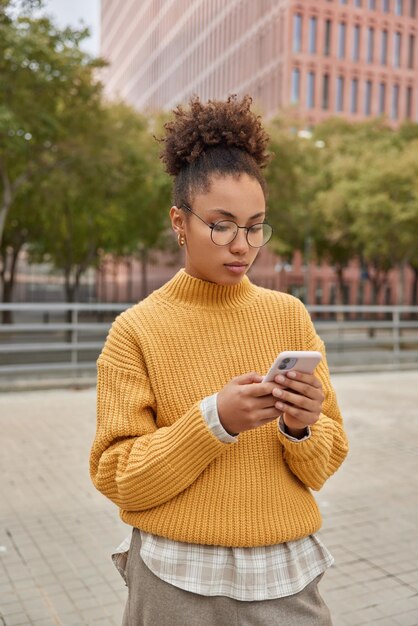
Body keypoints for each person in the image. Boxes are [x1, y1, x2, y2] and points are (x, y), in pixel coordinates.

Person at [89, 95, 349, 626]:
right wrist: (215, 423)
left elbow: (324, 464)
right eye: (222, 224)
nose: (243, 245)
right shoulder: (136, 329)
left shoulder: (288, 315)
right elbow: (117, 476)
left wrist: (301, 427)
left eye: (255, 226)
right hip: (172, 578)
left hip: (286, 575)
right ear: (179, 221)